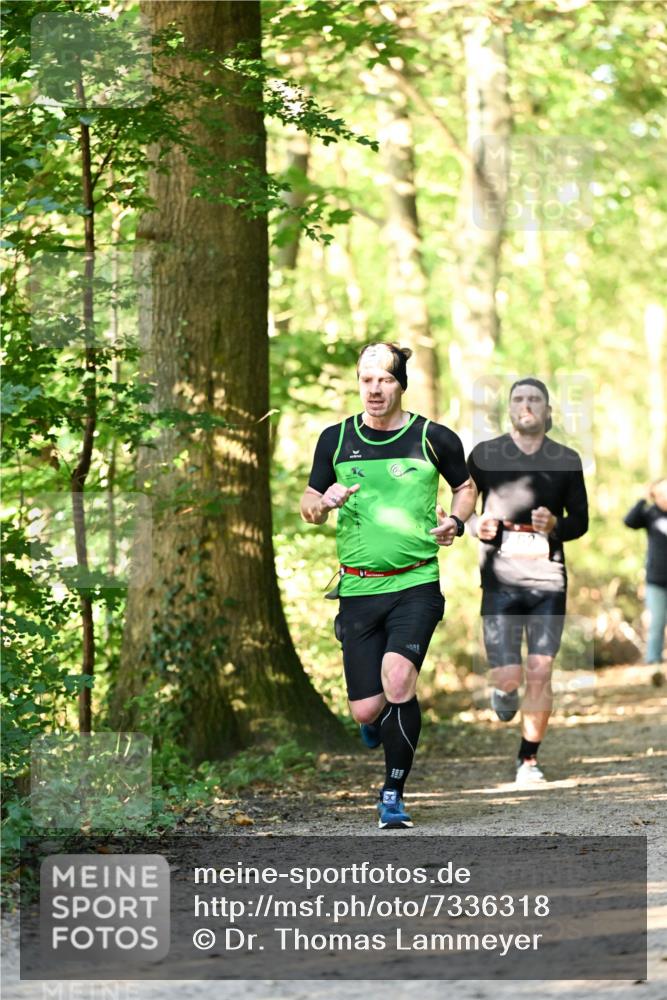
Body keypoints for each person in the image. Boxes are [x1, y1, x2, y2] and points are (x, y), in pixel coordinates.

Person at [300, 343, 476, 829]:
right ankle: (375, 723)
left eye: (384, 380)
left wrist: (456, 524)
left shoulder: (433, 437)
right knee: (364, 710)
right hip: (358, 589)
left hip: (416, 582)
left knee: (399, 681)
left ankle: (392, 793)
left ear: (400, 384)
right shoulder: (335, 440)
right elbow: (308, 505)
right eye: (366, 380)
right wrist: (324, 500)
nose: (374, 389)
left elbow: (465, 487)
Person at [467, 377, 588, 785]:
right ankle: (503, 691)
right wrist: (473, 524)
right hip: (500, 577)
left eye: (535, 398)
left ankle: (529, 761)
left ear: (548, 410)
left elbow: (581, 523)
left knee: (541, 669)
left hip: (548, 577)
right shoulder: (485, 455)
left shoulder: (567, 459)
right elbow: (461, 501)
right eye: (519, 398)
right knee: (508, 677)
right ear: (510, 409)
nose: (527, 404)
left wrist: (555, 524)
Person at [624, 478, 667, 672]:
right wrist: (642, 499)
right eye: (661, 493)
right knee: (657, 621)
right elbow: (630, 521)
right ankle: (654, 663)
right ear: (654, 496)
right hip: (656, 580)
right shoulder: (650, 514)